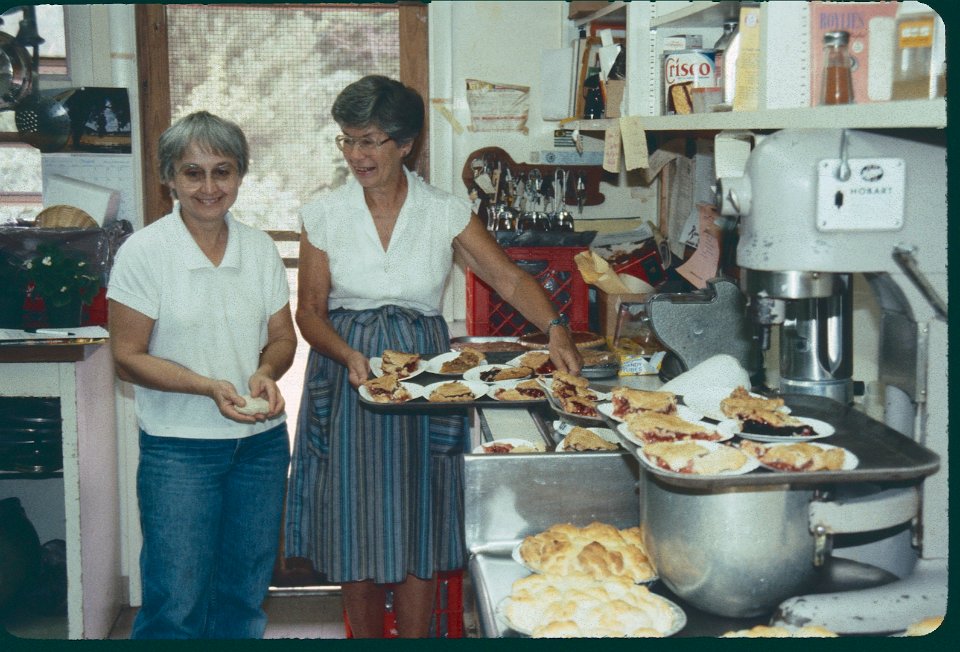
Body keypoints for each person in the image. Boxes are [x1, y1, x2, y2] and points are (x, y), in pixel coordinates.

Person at [284, 75, 582, 638]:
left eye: (369, 140)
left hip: (424, 378)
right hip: (348, 377)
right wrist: (349, 354)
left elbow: (508, 278)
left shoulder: (444, 210)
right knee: (356, 522)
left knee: (421, 518)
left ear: (406, 144)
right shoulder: (322, 213)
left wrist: (557, 328)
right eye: (347, 140)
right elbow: (310, 312)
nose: (356, 154)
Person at [106, 111, 298, 639]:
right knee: (177, 600)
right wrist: (206, 386)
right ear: (169, 177)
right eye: (193, 173)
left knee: (244, 596)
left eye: (223, 171)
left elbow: (284, 337)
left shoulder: (258, 249)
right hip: (179, 448)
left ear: (240, 176)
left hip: (259, 447)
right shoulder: (144, 252)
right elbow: (127, 355)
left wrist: (264, 371)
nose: (209, 187)